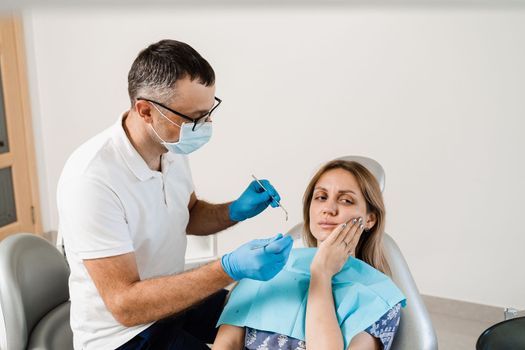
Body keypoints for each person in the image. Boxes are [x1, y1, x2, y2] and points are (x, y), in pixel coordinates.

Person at [56, 39, 293, 350]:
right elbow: (125, 305)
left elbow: (188, 215)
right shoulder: (91, 178)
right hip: (123, 335)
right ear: (145, 111)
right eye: (194, 117)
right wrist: (228, 268)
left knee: (272, 313)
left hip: (172, 301)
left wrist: (236, 209)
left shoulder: (170, 147)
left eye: (208, 113)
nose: (205, 125)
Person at [213, 160, 404, 350]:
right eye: (321, 197)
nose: (328, 209)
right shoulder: (266, 270)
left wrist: (321, 274)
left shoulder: (380, 299)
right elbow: (226, 344)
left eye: (346, 200)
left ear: (370, 219)